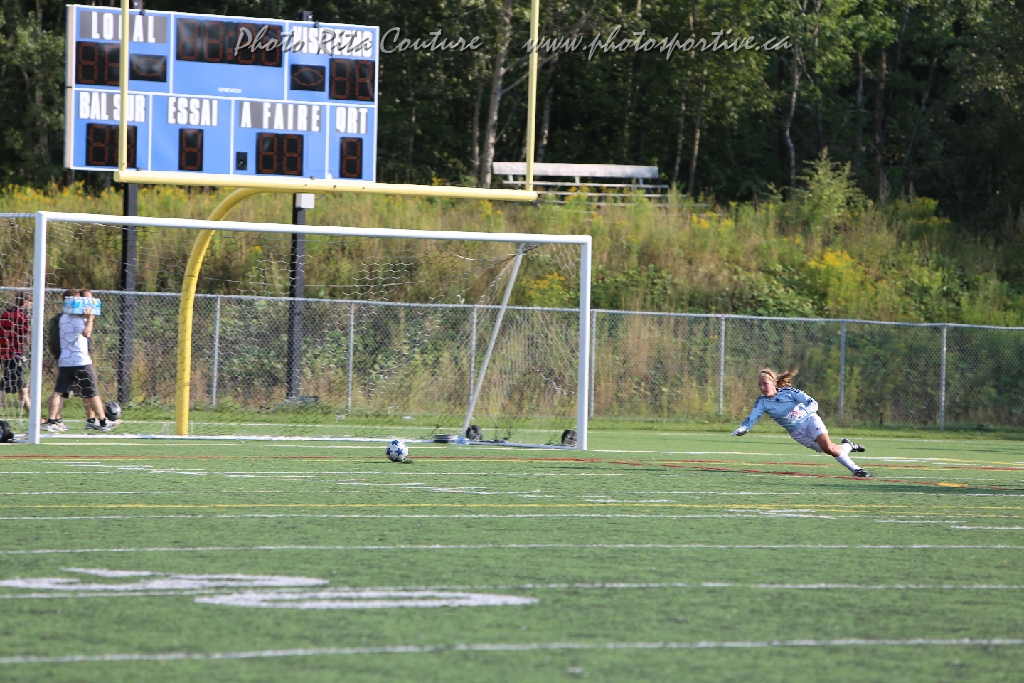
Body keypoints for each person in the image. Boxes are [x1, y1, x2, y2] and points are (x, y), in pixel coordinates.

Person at [732, 367, 870, 478]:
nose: (762, 387)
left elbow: (813, 404)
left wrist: (802, 413)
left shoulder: (789, 392)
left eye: (765, 384)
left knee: (828, 447)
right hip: (796, 433)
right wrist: (743, 428)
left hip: (810, 420)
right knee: (829, 449)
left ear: (773, 383)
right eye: (760, 385)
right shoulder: (762, 402)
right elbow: (753, 417)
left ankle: (856, 469)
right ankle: (848, 446)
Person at [46, 289, 118, 433]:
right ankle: (103, 421)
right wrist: (90, 318)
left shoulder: (63, 317)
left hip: (65, 361)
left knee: (59, 391)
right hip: (80, 362)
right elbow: (86, 333)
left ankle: (51, 421)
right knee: (93, 392)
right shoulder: (77, 319)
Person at [0, 292, 32, 412]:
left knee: (23, 389)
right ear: (26, 302)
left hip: (4, 354)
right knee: (4, 387)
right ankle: (34, 416)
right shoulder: (22, 317)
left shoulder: (5, 314)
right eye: (31, 304)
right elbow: (26, 339)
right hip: (15, 355)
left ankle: (34, 416)